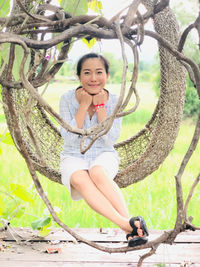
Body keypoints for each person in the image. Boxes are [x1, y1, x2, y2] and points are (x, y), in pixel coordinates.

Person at [59, 53, 148, 247]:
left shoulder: (114, 99)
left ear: (107, 75)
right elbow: (68, 138)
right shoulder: (67, 98)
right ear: (79, 76)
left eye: (99, 72)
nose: (93, 78)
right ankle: (129, 226)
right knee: (79, 177)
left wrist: (100, 106)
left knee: (97, 172)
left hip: (103, 154)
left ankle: (129, 227)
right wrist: (83, 105)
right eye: (87, 73)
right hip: (73, 155)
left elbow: (109, 139)